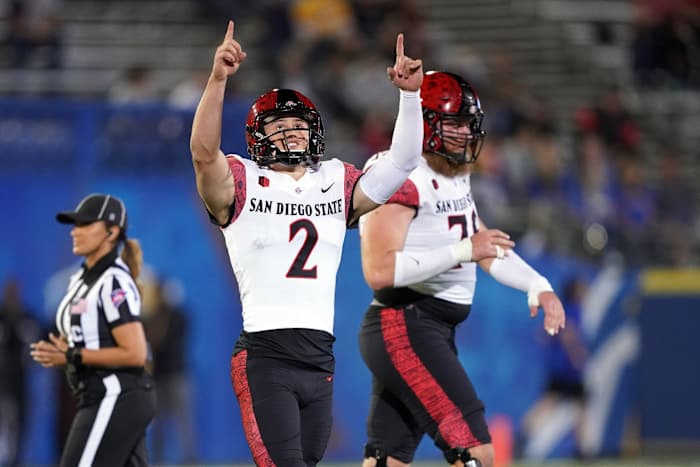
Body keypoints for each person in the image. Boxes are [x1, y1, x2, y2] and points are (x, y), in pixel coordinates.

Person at [189, 20, 424, 467]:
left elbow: (403, 161)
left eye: (299, 124)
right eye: (281, 125)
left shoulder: (334, 181)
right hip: (265, 356)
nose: (293, 132)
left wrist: (410, 97)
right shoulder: (243, 180)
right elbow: (203, 153)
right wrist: (218, 80)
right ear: (260, 135)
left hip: (320, 360)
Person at [357, 71, 567, 467]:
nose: (464, 134)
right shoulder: (398, 174)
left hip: (422, 328)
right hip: (404, 325)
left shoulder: (453, 171)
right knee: (475, 451)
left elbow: (484, 245)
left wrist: (537, 285)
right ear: (423, 122)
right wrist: (462, 250)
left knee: (388, 461)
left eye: (468, 124)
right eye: (452, 123)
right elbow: (379, 271)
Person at [29, 193, 156, 467]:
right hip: (98, 394)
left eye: (86, 224)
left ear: (111, 232)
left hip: (115, 394)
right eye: (75, 225)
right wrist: (63, 347)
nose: (75, 231)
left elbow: (135, 353)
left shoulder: (113, 281)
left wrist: (73, 356)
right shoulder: (80, 279)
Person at [0, 279, 40, 467]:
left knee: (20, 426)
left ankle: (15, 461)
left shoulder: (27, 320)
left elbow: (40, 343)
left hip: (21, 383)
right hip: (1, 382)